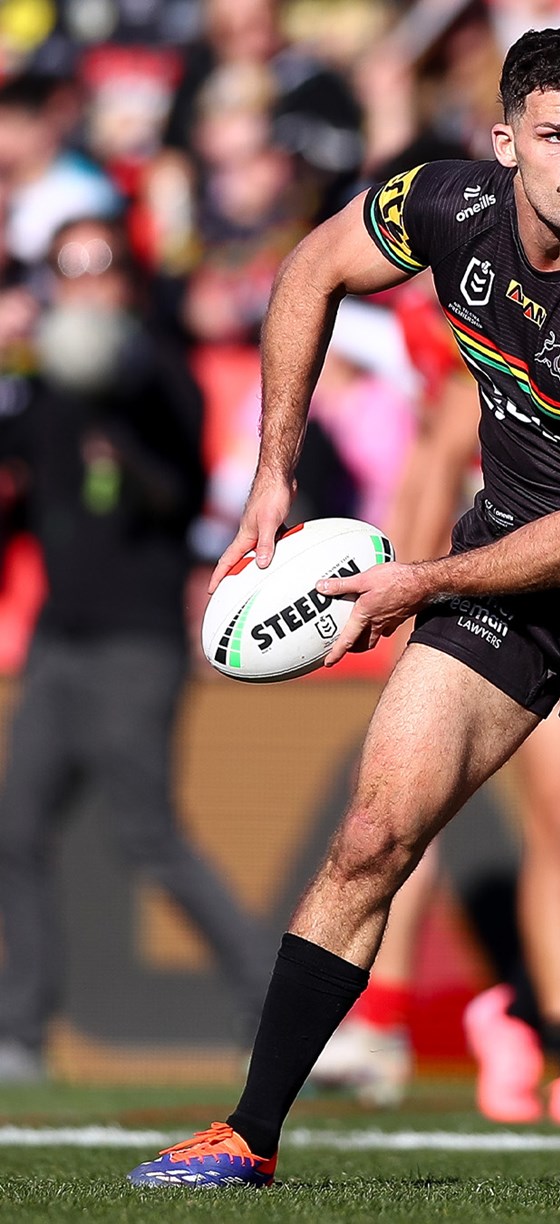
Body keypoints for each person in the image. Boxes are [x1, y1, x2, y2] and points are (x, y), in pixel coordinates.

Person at [128, 28, 560, 1188]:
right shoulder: (447, 206)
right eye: (557, 136)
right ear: (505, 143)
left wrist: (417, 582)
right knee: (372, 836)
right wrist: (272, 474)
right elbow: (310, 270)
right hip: (507, 569)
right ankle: (247, 1136)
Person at [0, 216, 272, 1083]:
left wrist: (112, 408)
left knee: (149, 837)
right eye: (68, 269)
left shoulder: (157, 373)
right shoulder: (41, 386)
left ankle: (270, 1008)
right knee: (15, 832)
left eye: (103, 267)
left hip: (135, 642)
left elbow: (177, 490)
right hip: (59, 642)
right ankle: (20, 1031)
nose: (86, 285)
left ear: (130, 280)